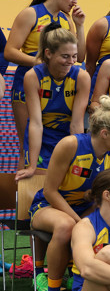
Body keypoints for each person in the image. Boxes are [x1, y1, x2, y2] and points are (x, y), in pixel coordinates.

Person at [29, 95, 110, 291]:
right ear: (105, 133)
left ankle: (100, 287)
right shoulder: (71, 145)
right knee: (66, 226)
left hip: (86, 207)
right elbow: (50, 191)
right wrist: (79, 222)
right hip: (48, 206)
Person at [5, 0, 85, 170]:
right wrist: (41, 63)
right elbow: (9, 51)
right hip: (27, 82)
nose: (75, 1)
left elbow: (80, 58)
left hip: (58, 85)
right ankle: (23, 197)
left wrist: (80, 26)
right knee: (27, 146)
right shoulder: (31, 14)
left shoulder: (67, 20)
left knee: (59, 145)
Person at [15, 24, 89, 181]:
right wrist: (32, 166)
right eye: (65, 56)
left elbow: (76, 124)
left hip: (67, 137)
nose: (71, 61)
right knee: (37, 181)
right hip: (41, 137)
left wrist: (79, 159)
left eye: (74, 56)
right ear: (48, 53)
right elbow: (35, 123)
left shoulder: (82, 77)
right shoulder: (32, 76)